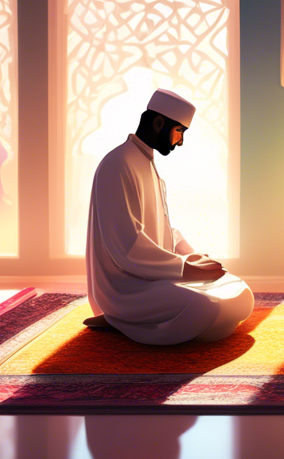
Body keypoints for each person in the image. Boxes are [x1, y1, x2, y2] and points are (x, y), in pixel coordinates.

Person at [83, 88, 254, 345]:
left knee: (242, 295)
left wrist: (193, 257)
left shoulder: (146, 164)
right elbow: (128, 248)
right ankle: (119, 318)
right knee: (204, 306)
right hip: (128, 287)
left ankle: (182, 321)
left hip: (158, 275)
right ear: (158, 123)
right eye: (179, 131)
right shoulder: (117, 164)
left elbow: (163, 230)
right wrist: (185, 269)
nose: (180, 142)